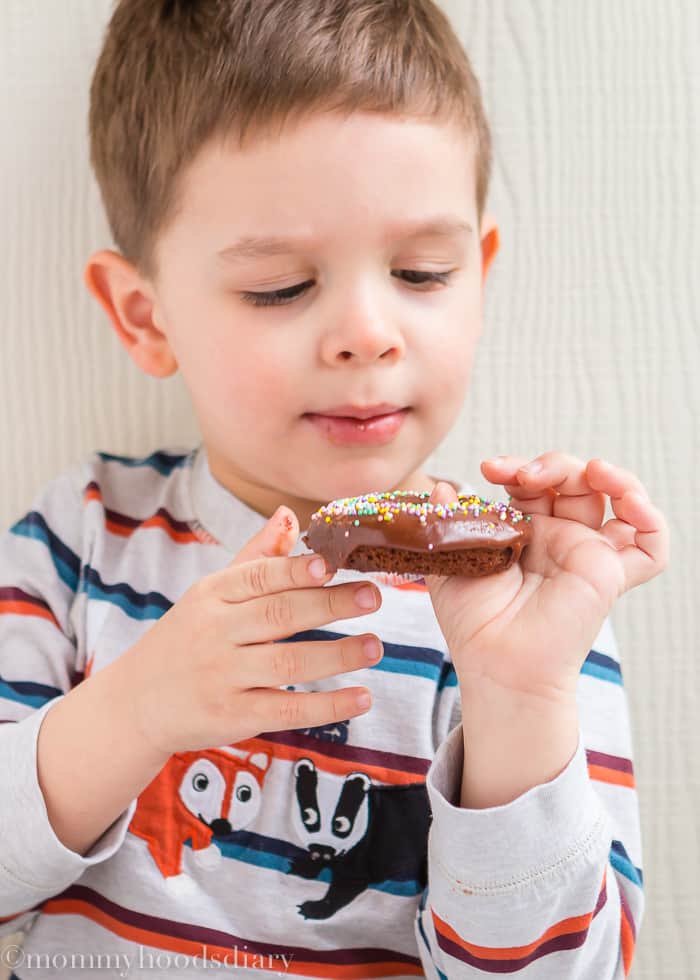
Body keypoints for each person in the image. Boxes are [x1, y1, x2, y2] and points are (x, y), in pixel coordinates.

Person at [0, 1, 668, 977]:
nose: (366, 331)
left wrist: (516, 698)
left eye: (419, 271)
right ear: (146, 317)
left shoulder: (530, 600)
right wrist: (134, 710)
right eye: (280, 286)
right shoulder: (81, 542)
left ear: (478, 276)